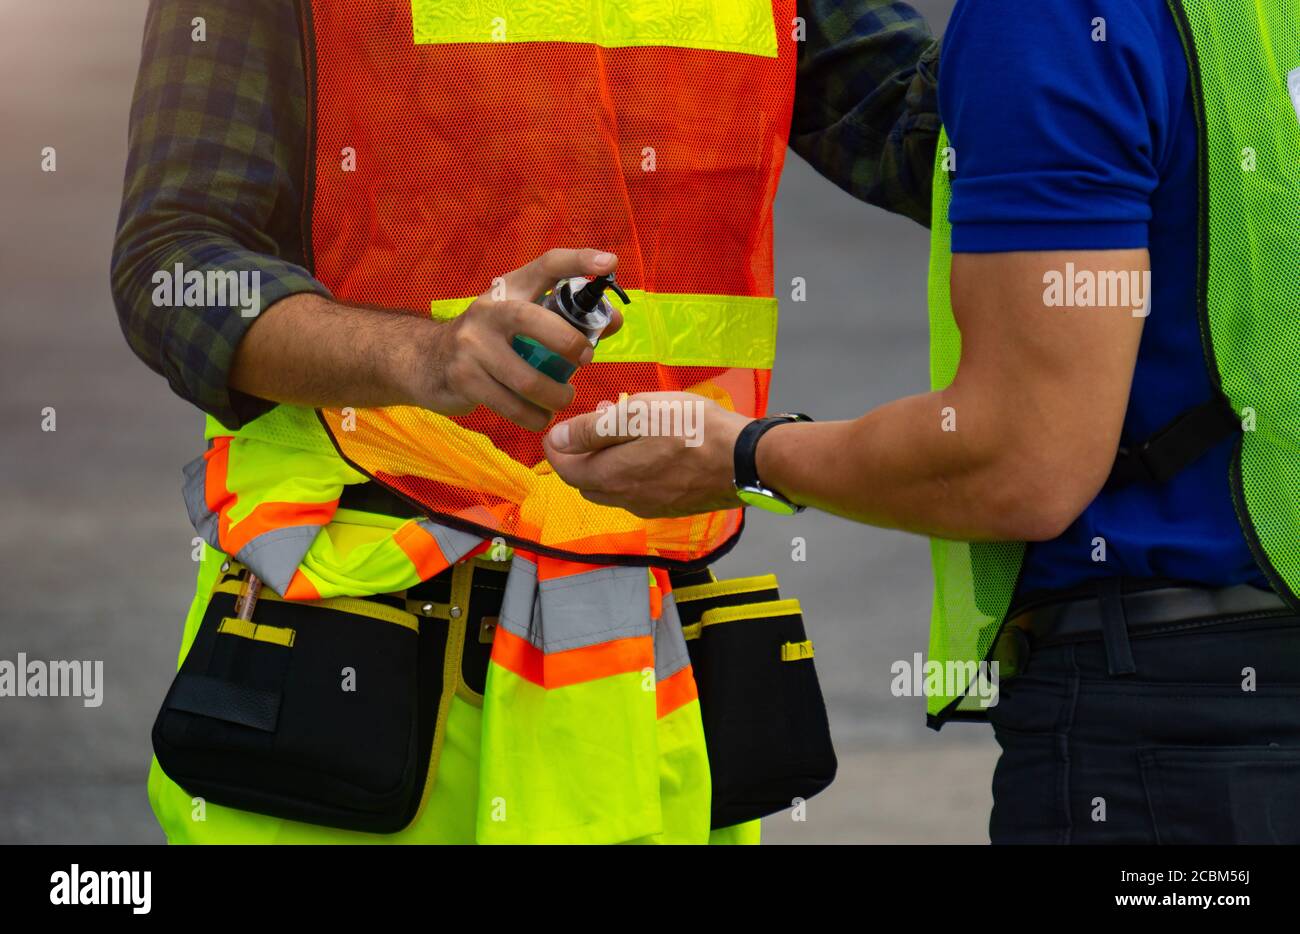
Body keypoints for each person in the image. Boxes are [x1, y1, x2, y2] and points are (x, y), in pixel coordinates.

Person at [111, 0, 942, 843]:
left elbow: (939, 141)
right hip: (355, 657)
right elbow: (173, 268)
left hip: (631, 678)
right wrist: (424, 356)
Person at [547, 0, 1300, 843]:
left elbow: (1022, 462)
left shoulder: (1059, 20)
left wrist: (748, 456)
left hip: (1184, 746)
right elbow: (940, 131)